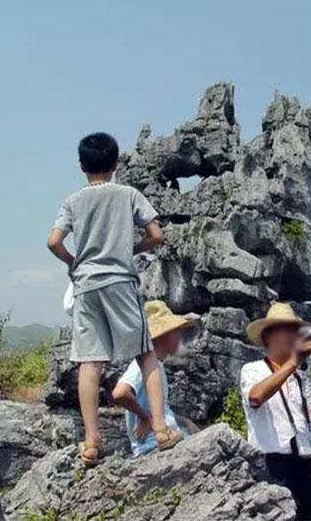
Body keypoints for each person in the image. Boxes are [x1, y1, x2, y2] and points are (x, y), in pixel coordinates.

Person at [46, 132, 182, 465]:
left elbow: (53, 242)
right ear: (116, 163)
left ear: (81, 166)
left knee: (90, 362)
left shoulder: (73, 201)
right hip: (121, 281)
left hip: (87, 285)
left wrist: (73, 261)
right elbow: (157, 235)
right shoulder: (128, 194)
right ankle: (161, 430)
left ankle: (91, 442)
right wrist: (132, 249)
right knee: (145, 354)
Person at [240, 302, 311, 520]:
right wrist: (293, 362)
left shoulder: (302, 375)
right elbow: (256, 397)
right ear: (268, 336)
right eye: (287, 330)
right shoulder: (253, 369)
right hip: (270, 463)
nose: (293, 336)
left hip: (302, 461)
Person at [112, 300, 200, 456]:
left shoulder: (156, 366)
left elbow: (159, 408)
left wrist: (184, 422)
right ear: (165, 335)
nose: (179, 337)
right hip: (152, 447)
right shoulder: (143, 367)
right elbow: (120, 393)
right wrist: (145, 419)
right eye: (175, 332)